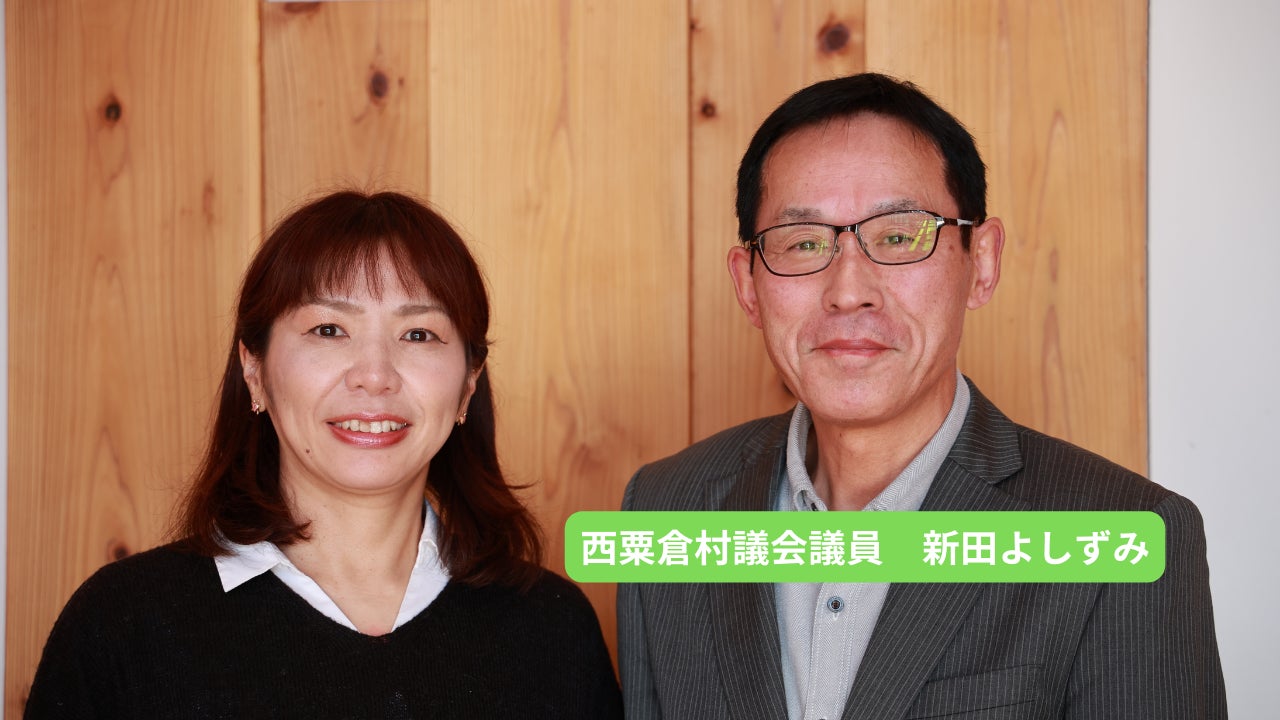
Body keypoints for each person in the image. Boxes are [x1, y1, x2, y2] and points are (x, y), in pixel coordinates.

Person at [617, 74, 1226, 719]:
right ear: (748, 287)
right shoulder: (663, 509)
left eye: (899, 236)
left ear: (981, 262)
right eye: (804, 243)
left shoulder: (1126, 538)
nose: (849, 291)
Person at [26, 190, 622, 718]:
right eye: (329, 330)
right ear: (254, 368)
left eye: (418, 334)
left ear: (469, 383)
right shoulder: (123, 627)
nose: (375, 375)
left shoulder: (553, 630)